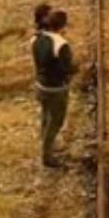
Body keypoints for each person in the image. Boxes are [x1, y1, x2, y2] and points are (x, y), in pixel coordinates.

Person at [31, 9, 75, 168]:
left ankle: (47, 144)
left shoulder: (36, 39)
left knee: (45, 115)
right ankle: (47, 155)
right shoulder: (61, 44)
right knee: (56, 121)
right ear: (63, 26)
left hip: (40, 86)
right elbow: (69, 68)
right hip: (56, 89)